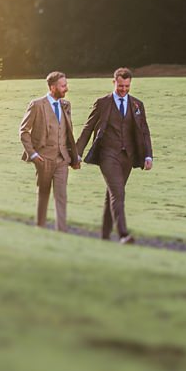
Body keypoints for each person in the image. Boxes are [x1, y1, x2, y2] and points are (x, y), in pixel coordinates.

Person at [75, 68, 154, 244]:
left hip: (128, 157)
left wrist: (148, 156)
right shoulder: (103, 103)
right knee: (118, 193)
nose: (123, 89)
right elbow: (88, 128)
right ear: (114, 82)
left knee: (112, 194)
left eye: (127, 86)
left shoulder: (137, 105)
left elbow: (144, 131)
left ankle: (104, 236)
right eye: (120, 86)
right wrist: (77, 154)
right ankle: (123, 234)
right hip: (107, 155)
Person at [19, 72, 81, 232]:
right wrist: (32, 154)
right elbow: (24, 131)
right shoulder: (37, 105)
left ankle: (62, 231)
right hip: (43, 159)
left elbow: (67, 132)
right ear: (53, 87)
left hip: (62, 160)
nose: (66, 88)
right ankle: (40, 227)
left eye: (66, 84)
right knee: (44, 194)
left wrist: (74, 158)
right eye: (63, 85)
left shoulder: (66, 105)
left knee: (61, 196)